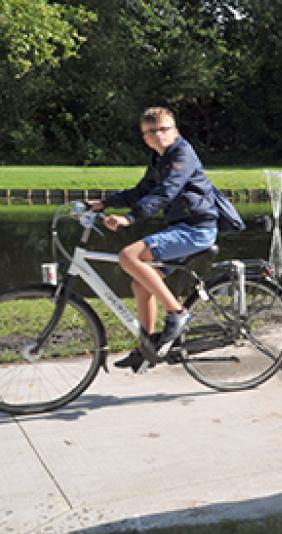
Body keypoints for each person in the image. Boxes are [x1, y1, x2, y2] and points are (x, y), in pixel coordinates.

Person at [90, 106, 221, 370]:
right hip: (182, 228)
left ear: (176, 131)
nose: (158, 135)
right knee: (140, 285)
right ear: (145, 137)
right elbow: (142, 190)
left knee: (128, 256)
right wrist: (105, 203)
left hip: (196, 229)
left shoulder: (182, 154)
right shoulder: (158, 158)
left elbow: (166, 192)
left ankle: (177, 313)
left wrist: (129, 218)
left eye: (163, 129)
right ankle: (147, 347)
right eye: (151, 132)